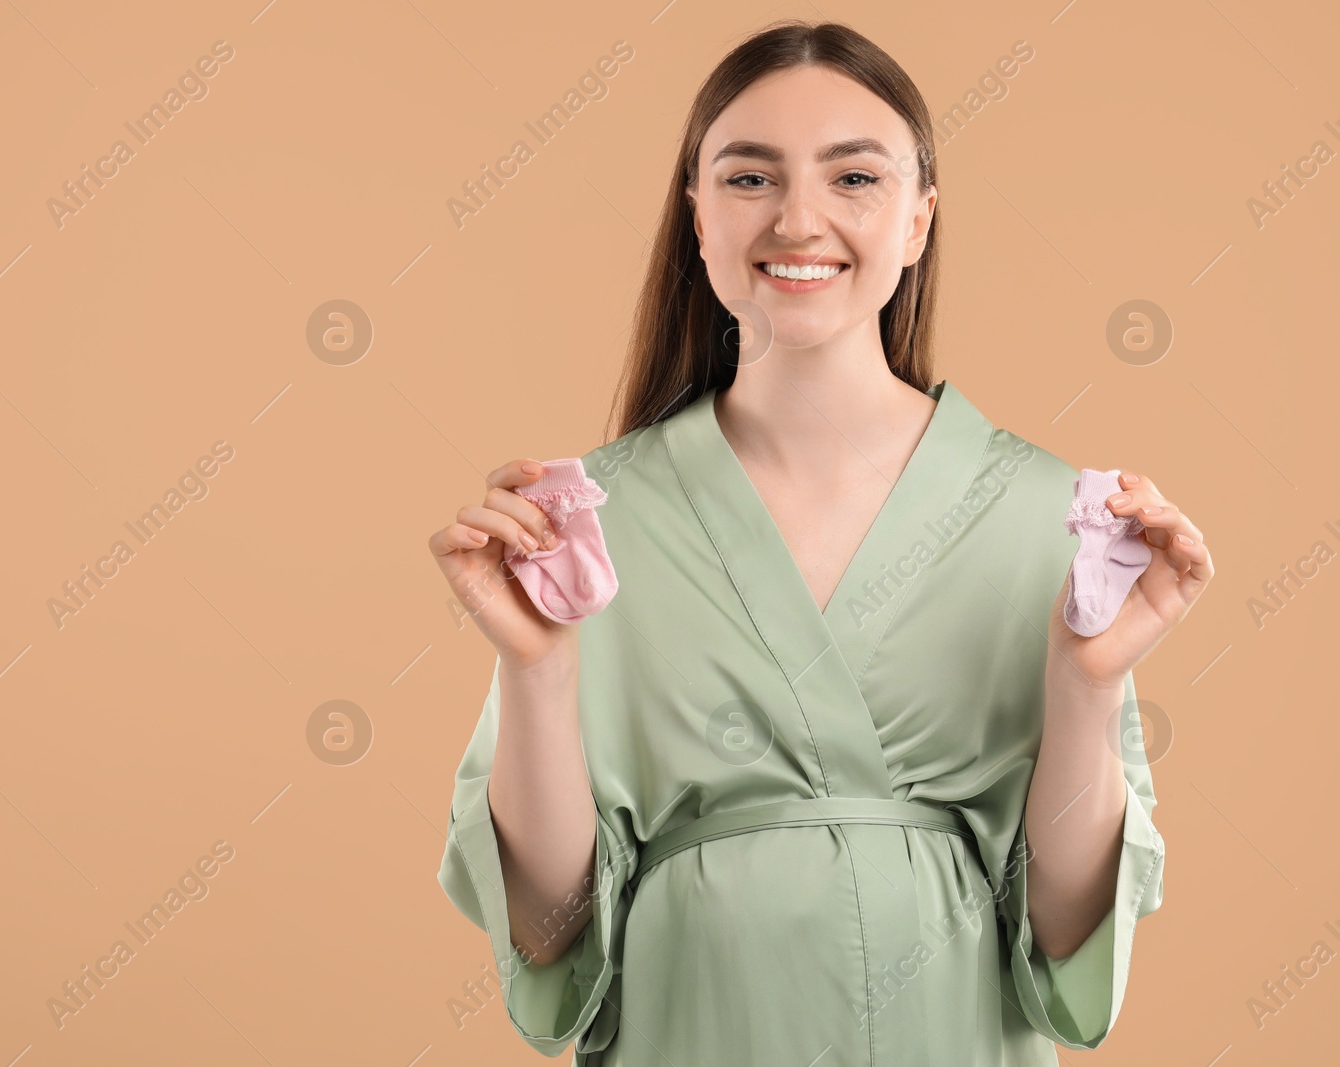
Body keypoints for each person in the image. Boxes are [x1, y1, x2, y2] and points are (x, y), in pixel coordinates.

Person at [426, 19, 1212, 1066]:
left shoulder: (1055, 517)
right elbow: (550, 940)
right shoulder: (585, 527)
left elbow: (1065, 940)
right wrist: (536, 669)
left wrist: (1086, 683)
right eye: (750, 177)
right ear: (695, 214)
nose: (799, 220)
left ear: (918, 219)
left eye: (854, 178)